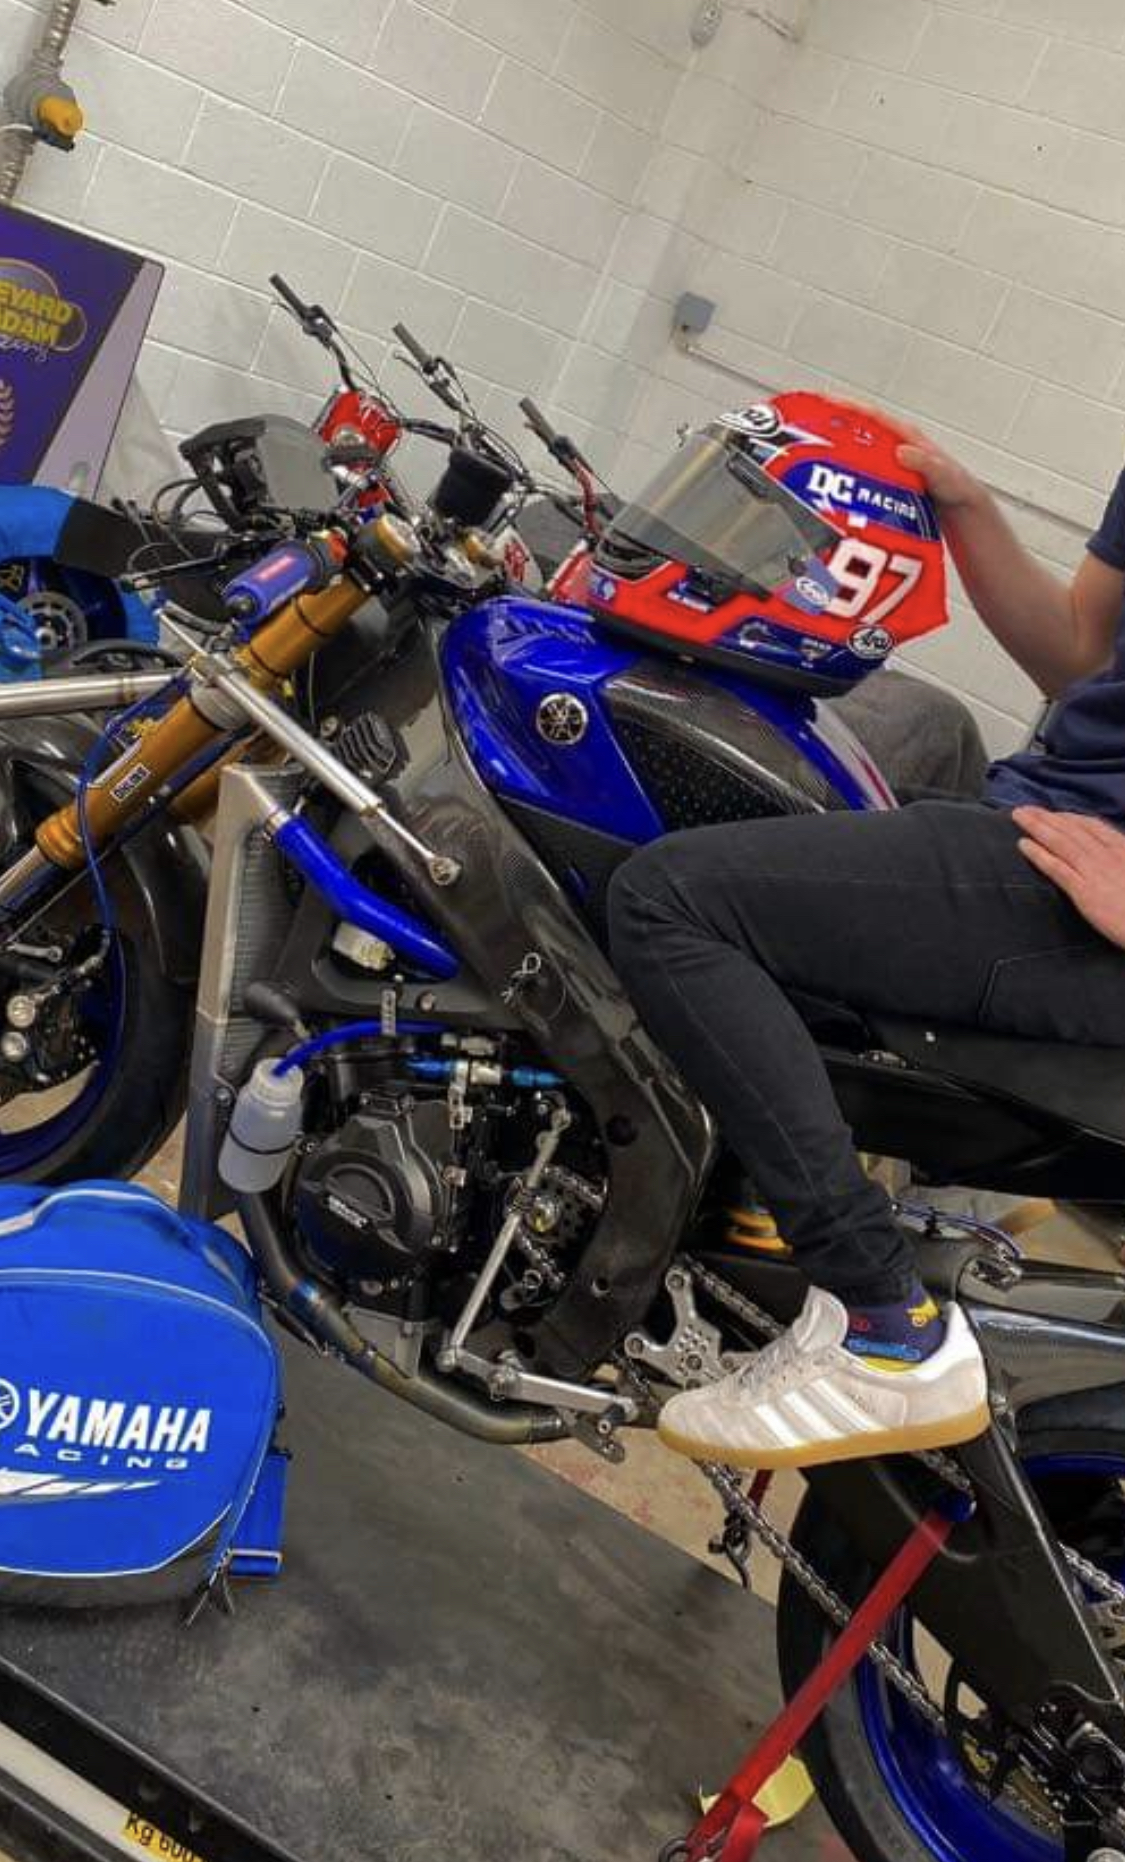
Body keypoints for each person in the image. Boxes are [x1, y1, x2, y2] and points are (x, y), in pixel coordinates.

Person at [608, 425, 1125, 1470]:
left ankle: (880, 1320)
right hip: (1040, 820)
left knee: (672, 901)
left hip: (1089, 897)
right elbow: (1081, 650)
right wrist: (965, 505)